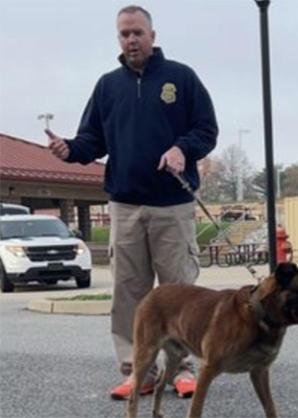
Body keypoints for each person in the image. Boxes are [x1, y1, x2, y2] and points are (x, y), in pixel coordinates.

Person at [46, 4, 218, 401]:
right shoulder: (108, 86)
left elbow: (206, 129)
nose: (131, 40)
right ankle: (136, 370)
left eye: (138, 32)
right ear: (118, 39)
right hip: (124, 205)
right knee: (128, 293)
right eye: (124, 34)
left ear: (153, 36)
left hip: (172, 204)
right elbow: (93, 141)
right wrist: (69, 150)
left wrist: (182, 148)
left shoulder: (181, 78)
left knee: (179, 293)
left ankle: (182, 370)